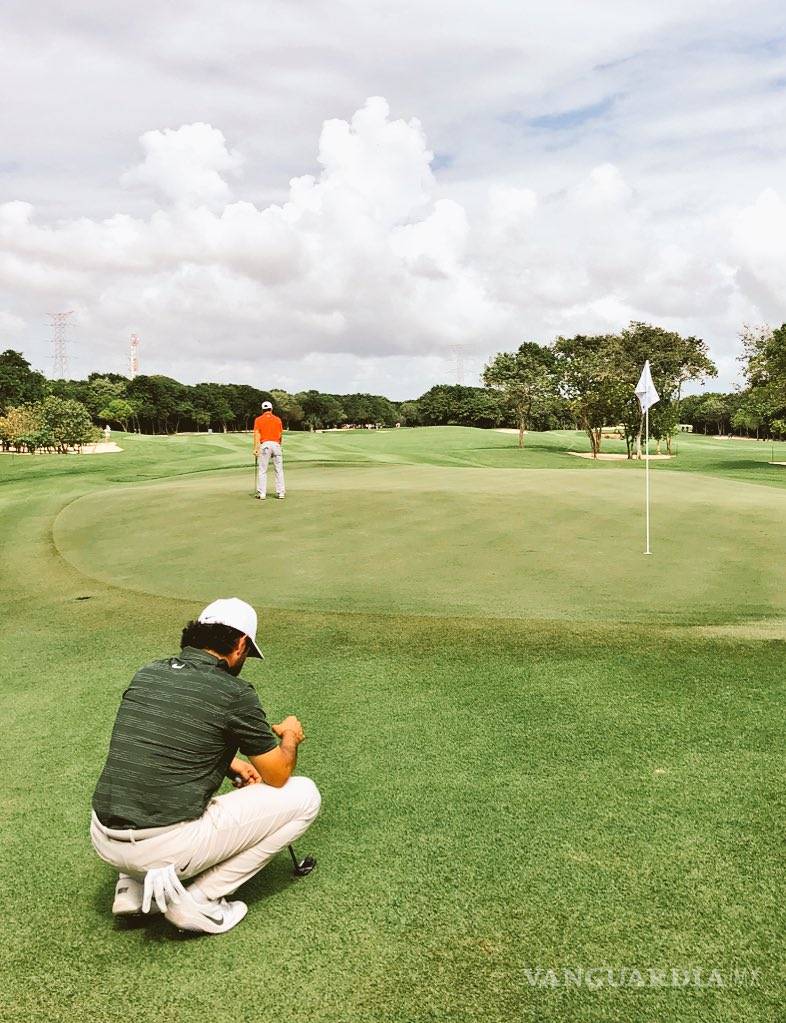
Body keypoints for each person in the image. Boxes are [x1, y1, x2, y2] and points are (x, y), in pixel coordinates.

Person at [90, 597, 320, 935]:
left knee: (142, 785)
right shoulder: (234, 692)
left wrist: (230, 764)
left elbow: (162, 740)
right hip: (163, 846)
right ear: (240, 644)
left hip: (103, 838)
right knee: (306, 796)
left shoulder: (148, 672)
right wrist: (290, 736)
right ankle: (199, 900)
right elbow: (277, 774)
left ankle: (132, 889)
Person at [253, 400, 285, 499]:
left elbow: (257, 434)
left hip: (265, 445)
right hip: (276, 445)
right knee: (279, 470)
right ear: (271, 409)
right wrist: (279, 445)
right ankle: (281, 493)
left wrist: (256, 448)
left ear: (262, 410)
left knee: (263, 470)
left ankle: (262, 493)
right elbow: (280, 434)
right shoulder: (278, 419)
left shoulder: (258, 419)